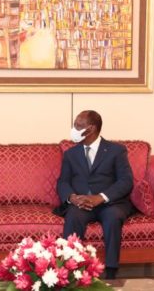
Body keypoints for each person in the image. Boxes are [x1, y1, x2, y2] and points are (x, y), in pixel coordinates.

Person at [56, 110, 134, 280]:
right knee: (73, 216)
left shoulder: (116, 151)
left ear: (90, 129)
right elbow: (63, 181)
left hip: (110, 203)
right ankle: (69, 270)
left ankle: (111, 270)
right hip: (81, 203)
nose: (74, 128)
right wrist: (72, 197)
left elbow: (126, 181)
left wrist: (101, 197)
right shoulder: (71, 154)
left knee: (113, 217)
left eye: (78, 125)